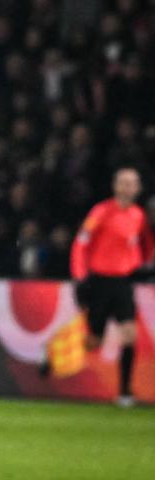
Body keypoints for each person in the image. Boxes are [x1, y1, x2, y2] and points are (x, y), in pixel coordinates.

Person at [69, 167, 153, 407]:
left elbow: (138, 247)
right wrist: (79, 275)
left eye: (133, 183)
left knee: (130, 335)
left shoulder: (138, 216)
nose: (128, 188)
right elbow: (81, 242)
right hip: (99, 282)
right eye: (124, 183)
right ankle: (53, 353)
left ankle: (124, 392)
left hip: (122, 283)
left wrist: (139, 266)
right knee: (94, 341)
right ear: (116, 186)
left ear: (138, 188)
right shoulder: (101, 212)